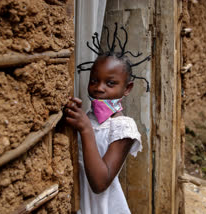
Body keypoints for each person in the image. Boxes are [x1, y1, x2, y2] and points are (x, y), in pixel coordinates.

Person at [64, 23, 150, 214]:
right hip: (80, 203)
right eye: (94, 80)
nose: (99, 88)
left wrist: (85, 129)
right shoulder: (89, 117)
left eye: (110, 83)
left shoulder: (122, 128)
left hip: (103, 207)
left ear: (127, 89)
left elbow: (100, 182)